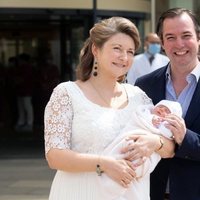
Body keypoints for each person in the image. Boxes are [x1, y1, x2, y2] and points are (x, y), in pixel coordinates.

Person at [44, 17, 175, 200]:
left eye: (130, 51)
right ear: (96, 50)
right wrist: (103, 164)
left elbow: (169, 148)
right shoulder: (67, 94)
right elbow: (55, 156)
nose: (124, 57)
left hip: (130, 194)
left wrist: (154, 142)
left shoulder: (139, 97)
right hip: (80, 192)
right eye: (117, 49)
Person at [135, 8, 200, 200]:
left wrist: (185, 137)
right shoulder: (144, 84)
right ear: (162, 43)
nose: (179, 44)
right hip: (151, 192)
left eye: (186, 35)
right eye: (170, 37)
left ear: (198, 38)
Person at [96, 100, 182, 199]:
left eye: (167, 111)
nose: (162, 110)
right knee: (120, 155)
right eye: (161, 107)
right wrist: (151, 119)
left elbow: (171, 145)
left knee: (135, 165)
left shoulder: (140, 97)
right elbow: (140, 117)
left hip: (145, 156)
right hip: (126, 141)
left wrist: (156, 140)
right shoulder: (144, 113)